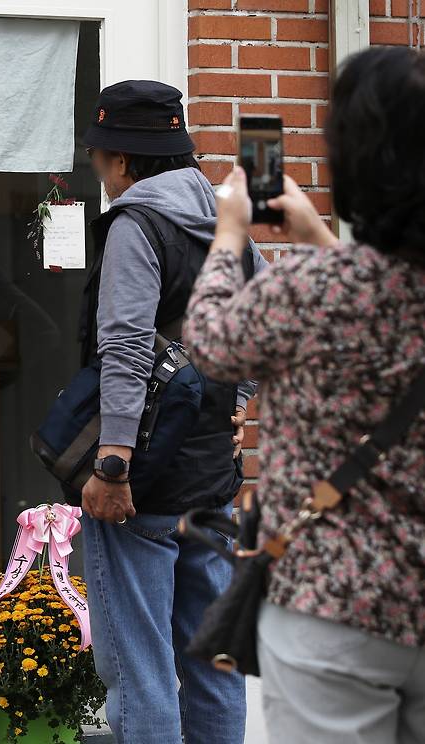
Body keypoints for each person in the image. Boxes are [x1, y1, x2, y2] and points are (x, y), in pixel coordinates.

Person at [182, 45, 425, 744]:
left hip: (330, 607)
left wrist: (229, 233)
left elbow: (211, 340)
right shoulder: (328, 286)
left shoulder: (309, 294)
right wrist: (319, 237)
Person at [76, 80, 267, 744]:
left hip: (144, 485)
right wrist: (237, 407)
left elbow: (126, 346)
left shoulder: (137, 223)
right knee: (213, 665)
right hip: (213, 477)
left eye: (101, 157)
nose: (100, 172)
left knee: (143, 672)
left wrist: (113, 462)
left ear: (123, 160)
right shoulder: (225, 221)